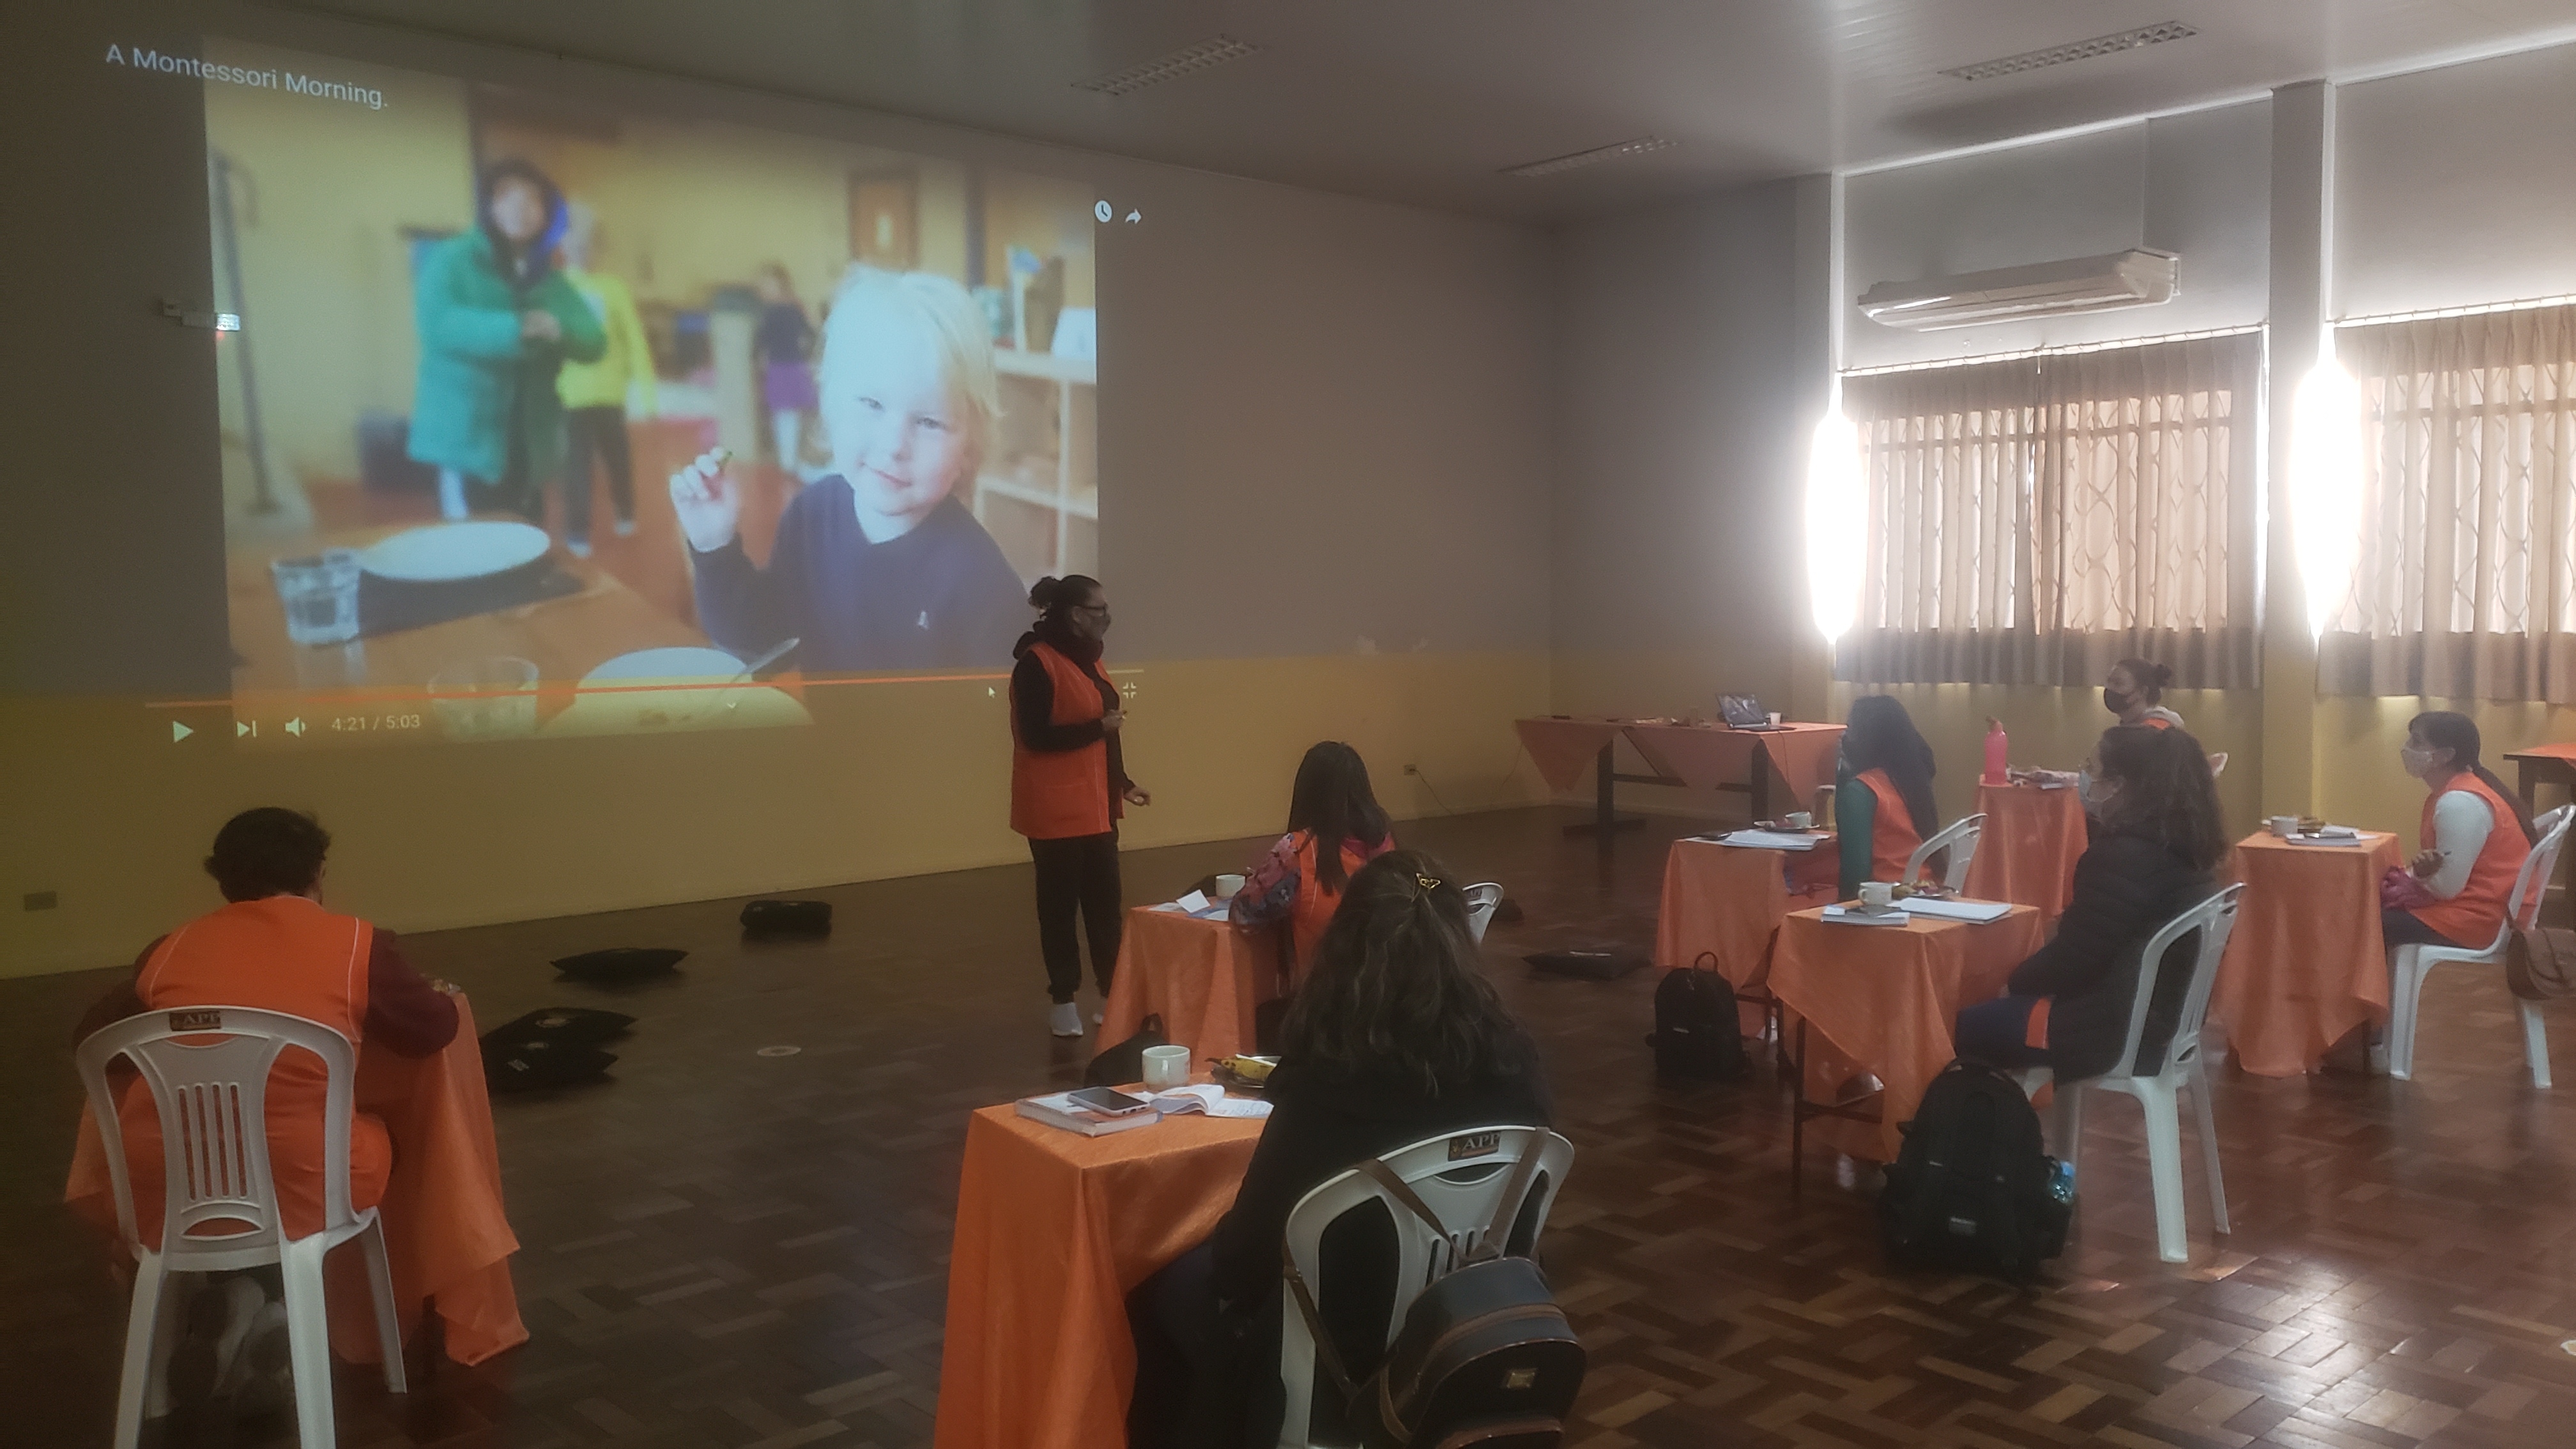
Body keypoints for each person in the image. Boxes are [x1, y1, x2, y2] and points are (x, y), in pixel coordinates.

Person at [1128, 852, 1552, 1449]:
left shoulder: (1326, 1082)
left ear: (1344, 951)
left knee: (1158, 1288)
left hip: (1335, 1361)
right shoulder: (1516, 1067)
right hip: (1464, 1336)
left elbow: (1243, 1264)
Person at [71, 809, 461, 1408]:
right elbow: (432, 1031)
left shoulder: (168, 951)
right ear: (318, 873)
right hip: (306, 1184)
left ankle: (244, 1302)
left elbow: (95, 1040)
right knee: (382, 1136)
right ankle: (282, 1310)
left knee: (235, 1164)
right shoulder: (358, 945)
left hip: (162, 1188)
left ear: (222, 879)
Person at [670, 267, 1029, 672]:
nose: (894, 446)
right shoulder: (810, 518)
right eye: (872, 404)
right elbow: (762, 642)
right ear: (832, 405)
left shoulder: (983, 584)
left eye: (929, 422)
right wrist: (714, 547)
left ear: (968, 449)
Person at [1954, 726, 2230, 1078]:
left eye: (2093, 770)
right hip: (2161, 1026)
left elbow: (2075, 958)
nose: (2086, 779)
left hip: (2106, 1032)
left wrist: (2016, 984)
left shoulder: (2121, 857)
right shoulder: (2189, 850)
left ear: (2120, 786)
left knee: (1955, 1026)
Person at [408, 159, 606, 523]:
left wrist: (560, 329)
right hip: (468, 440)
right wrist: (514, 329)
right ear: (488, 205)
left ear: (547, 213)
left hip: (529, 441)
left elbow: (594, 342)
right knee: (473, 540)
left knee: (528, 535)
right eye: (506, 197)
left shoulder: (548, 278)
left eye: (533, 199)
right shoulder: (453, 259)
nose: (520, 208)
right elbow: (437, 323)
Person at [1011, 575, 1149, 1035]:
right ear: (1074, 615)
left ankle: (1112, 997)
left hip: (1097, 808)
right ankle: (1063, 1001)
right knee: (1059, 909)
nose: (1107, 617)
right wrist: (1097, 728)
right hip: (1054, 812)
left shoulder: (1091, 660)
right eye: (1099, 609)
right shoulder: (1036, 663)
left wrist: (1122, 783)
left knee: (1105, 908)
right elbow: (1036, 736)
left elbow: (1108, 732)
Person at [1229, 741, 1397, 987]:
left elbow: (1244, 916)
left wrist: (1261, 880)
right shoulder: (1387, 843)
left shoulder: (1296, 851)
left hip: (1321, 998)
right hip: (1384, 991)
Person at [2384, 712, 2538, 950]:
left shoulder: (2459, 803)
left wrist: (2420, 875)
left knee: (2363, 923)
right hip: (2483, 912)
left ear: (2446, 755)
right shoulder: (2456, 792)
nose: (2407, 747)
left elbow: (2447, 888)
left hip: (2479, 921)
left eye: (2417, 741)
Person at [553, 203, 656, 556]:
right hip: (570, 395)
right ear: (563, 245)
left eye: (588, 244)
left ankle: (625, 510)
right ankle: (577, 530)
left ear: (597, 248)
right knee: (576, 467)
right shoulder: (556, 289)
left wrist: (647, 394)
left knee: (618, 460)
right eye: (574, 243)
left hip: (610, 394)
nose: (582, 251)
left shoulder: (614, 288)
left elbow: (635, 340)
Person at [2009, 658, 2188, 800]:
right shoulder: (2131, 728)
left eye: (2118, 683)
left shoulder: (2154, 732)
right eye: (2109, 681)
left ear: (2142, 692)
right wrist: (2052, 777)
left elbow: (2120, 788)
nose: (2109, 689)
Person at [1835, 694, 1942, 900]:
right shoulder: (1912, 779)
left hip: (1886, 898)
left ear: (1865, 740)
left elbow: (1855, 873)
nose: (1843, 737)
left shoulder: (1861, 791)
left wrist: (1843, 772)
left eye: (1850, 730)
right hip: (1928, 889)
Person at [753, 263, 818, 477]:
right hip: (784, 366)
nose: (765, 289)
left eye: (768, 284)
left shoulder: (782, 311)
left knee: (788, 416)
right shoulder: (780, 310)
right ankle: (789, 461)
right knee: (786, 417)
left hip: (787, 367)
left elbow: (808, 334)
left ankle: (790, 462)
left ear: (781, 285)